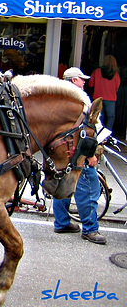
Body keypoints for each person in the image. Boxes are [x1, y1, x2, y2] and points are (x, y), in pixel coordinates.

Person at [52, 67, 106, 244]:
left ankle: (62, 222)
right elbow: (85, 133)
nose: (84, 82)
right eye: (81, 79)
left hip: (62, 154)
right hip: (78, 155)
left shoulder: (59, 99)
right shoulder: (79, 102)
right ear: (74, 81)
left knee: (63, 187)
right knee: (88, 190)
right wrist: (90, 155)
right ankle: (90, 229)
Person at [89, 54, 121, 130]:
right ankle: (108, 132)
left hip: (98, 97)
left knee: (99, 117)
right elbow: (117, 87)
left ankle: (99, 131)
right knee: (111, 117)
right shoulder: (116, 75)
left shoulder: (96, 72)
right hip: (111, 99)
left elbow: (91, 84)